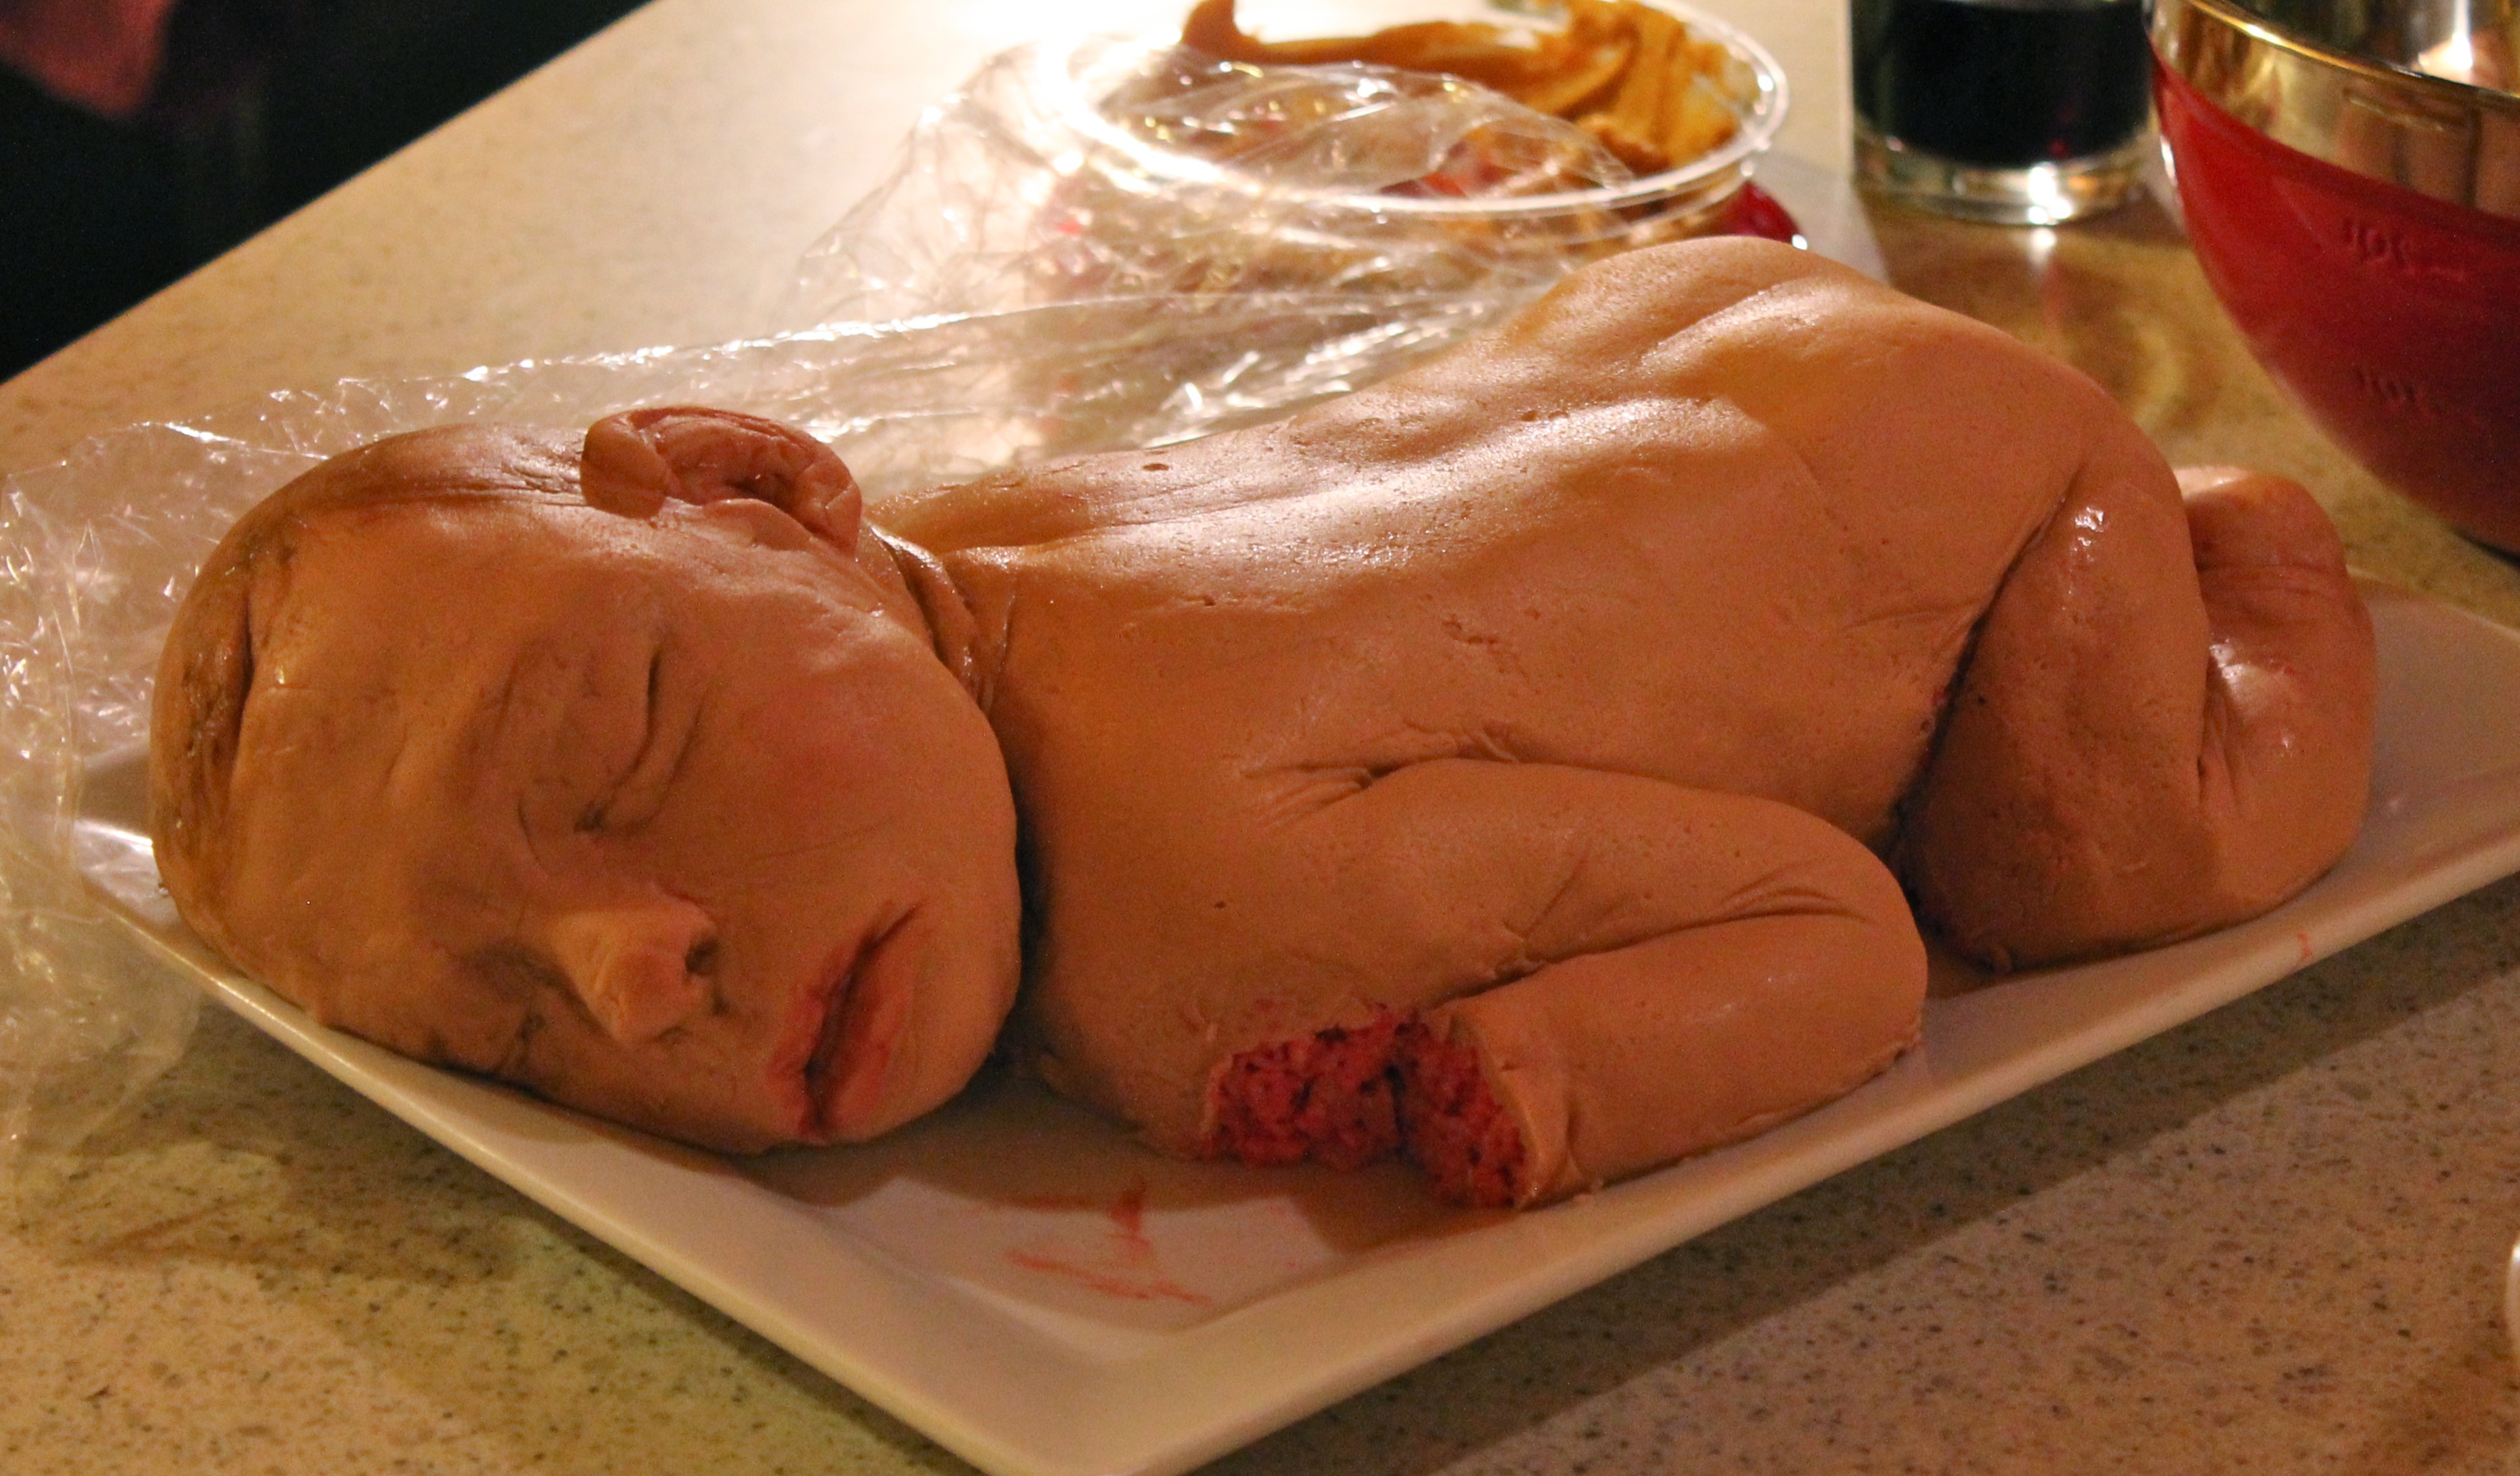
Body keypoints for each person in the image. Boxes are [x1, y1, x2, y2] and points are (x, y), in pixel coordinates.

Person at [148, 239, 2375, 1207]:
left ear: (780, 497)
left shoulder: (1225, 862)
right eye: (508, 1031)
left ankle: (2243, 557)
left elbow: (1840, 930)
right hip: (1688, 335)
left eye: (624, 749)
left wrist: (1559, 1068)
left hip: (1995, 506)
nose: (637, 976)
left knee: (2083, 858)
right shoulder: (938, 563)